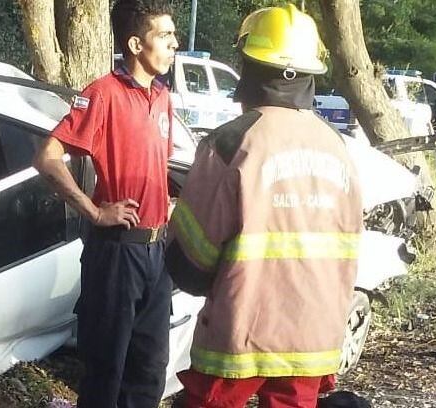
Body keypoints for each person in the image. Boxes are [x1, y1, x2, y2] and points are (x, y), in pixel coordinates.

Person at [165, 4, 363, 407]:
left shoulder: (232, 142)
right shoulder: (338, 147)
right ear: (308, 77)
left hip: (241, 337)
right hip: (312, 339)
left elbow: (191, 261)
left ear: (250, 69)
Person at [32, 1, 178, 406]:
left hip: (157, 253)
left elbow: (156, 165)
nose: (174, 44)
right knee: (106, 369)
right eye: (164, 36)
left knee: (149, 369)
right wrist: (95, 212)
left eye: (173, 36)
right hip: (116, 252)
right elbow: (46, 157)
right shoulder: (103, 94)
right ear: (135, 43)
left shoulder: (162, 97)